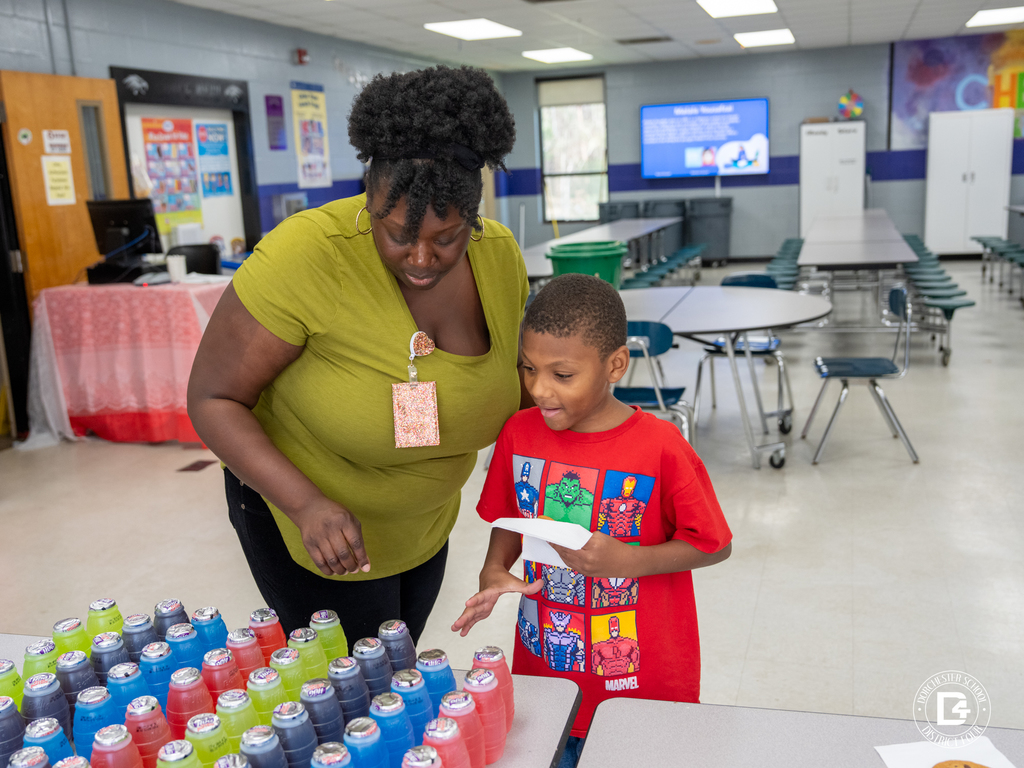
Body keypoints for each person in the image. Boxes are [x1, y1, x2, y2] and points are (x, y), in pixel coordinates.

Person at [187, 65, 524, 643]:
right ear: (369, 197)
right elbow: (213, 398)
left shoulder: (499, 257)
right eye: (396, 234)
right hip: (315, 525)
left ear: (473, 214)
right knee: (357, 698)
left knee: (397, 669)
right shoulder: (308, 253)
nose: (421, 258)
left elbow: (523, 383)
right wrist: (306, 504)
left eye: (446, 238)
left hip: (424, 524)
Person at [452, 274, 732, 765]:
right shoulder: (519, 433)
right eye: (528, 369)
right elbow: (509, 517)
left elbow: (713, 544)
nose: (539, 389)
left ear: (615, 364)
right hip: (548, 671)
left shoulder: (662, 447)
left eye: (562, 375)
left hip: (641, 686)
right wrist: (494, 569)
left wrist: (629, 559)